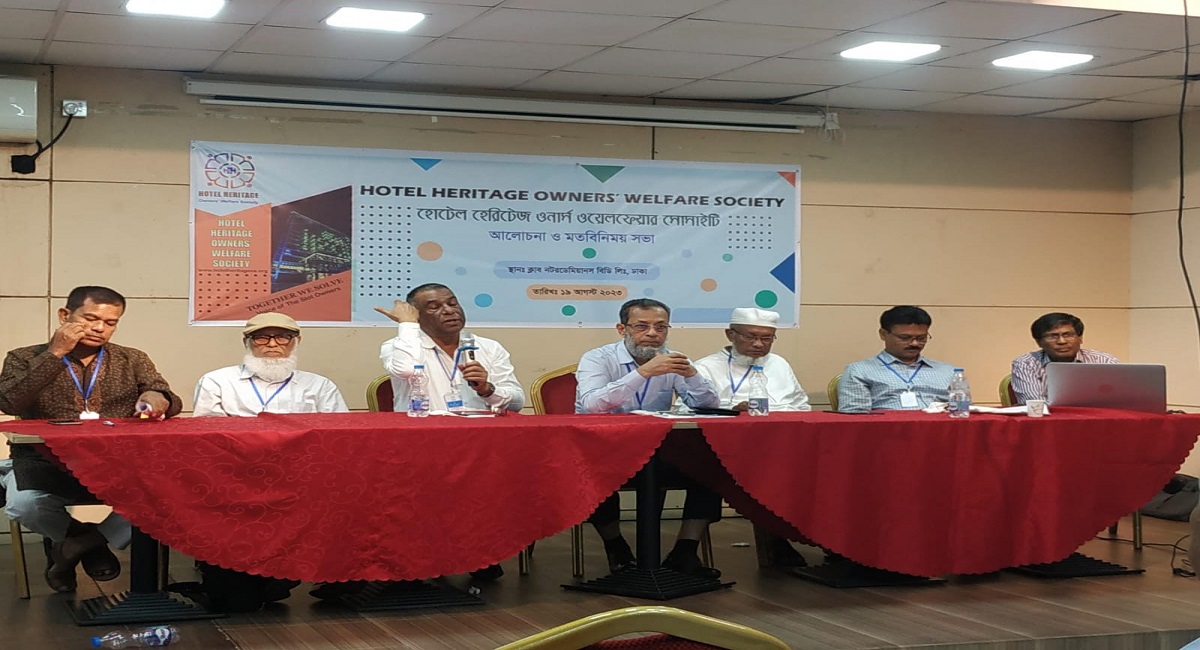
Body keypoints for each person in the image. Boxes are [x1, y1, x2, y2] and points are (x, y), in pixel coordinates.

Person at [0, 286, 183, 593]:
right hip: (45, 462)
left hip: (117, 463)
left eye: (110, 322)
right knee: (23, 505)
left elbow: (166, 396)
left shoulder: (131, 359)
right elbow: (9, 401)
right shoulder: (23, 357)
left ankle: (77, 547)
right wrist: (55, 353)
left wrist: (157, 398)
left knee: (170, 493)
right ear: (64, 315)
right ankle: (84, 540)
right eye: (90, 318)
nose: (100, 328)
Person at [377, 283, 524, 581]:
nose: (449, 311)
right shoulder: (399, 345)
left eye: (452, 303)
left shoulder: (488, 348)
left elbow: (517, 401)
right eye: (434, 307)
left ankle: (479, 551)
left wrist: (488, 389)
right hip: (422, 445)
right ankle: (429, 559)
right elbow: (406, 370)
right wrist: (407, 325)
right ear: (418, 315)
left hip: (480, 445)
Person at [575, 298, 722, 577]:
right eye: (642, 326)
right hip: (605, 449)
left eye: (661, 327)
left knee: (711, 466)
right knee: (592, 472)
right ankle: (616, 547)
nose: (653, 334)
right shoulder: (597, 358)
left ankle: (684, 551)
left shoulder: (673, 359)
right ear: (622, 329)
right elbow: (592, 404)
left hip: (656, 449)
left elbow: (709, 405)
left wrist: (692, 375)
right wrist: (642, 373)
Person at [693, 307, 811, 567]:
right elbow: (689, 412)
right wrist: (731, 410)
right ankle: (775, 537)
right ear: (730, 334)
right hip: (725, 449)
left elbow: (801, 405)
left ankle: (824, 542)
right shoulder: (705, 367)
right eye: (750, 337)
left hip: (781, 445)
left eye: (767, 338)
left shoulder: (779, 364)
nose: (759, 344)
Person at [193, 312, 348, 417]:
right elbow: (209, 436)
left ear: (297, 341)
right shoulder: (217, 382)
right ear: (246, 342)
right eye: (261, 337)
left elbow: (338, 431)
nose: (272, 344)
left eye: (283, 337)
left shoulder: (320, 386)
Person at [837, 305, 958, 413]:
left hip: (939, 429)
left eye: (921, 338)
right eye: (905, 337)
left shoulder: (948, 372)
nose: (915, 343)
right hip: (887, 430)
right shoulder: (859, 371)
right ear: (883, 334)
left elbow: (962, 413)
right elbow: (855, 419)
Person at [1010, 312, 1117, 405]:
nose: (1062, 341)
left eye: (1068, 335)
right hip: (1050, 420)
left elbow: (1118, 399)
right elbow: (1036, 405)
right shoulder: (1026, 364)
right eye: (1052, 336)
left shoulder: (1104, 361)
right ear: (1039, 342)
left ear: (1080, 338)